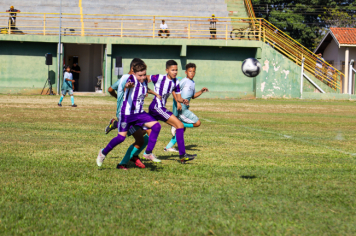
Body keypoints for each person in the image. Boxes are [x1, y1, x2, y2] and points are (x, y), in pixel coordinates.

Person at [97, 62, 162, 170]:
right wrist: (128, 86)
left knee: (156, 126)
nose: (142, 77)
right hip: (127, 114)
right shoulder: (130, 78)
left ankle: (148, 153)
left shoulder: (144, 80)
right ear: (134, 73)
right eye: (139, 75)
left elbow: (146, 88)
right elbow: (127, 85)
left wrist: (155, 94)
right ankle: (103, 153)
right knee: (121, 138)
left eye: (144, 75)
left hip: (140, 113)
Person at [148, 60, 196, 164]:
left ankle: (117, 125)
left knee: (143, 131)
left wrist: (183, 100)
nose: (175, 72)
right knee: (179, 125)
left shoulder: (176, 82)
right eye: (172, 70)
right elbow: (144, 78)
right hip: (157, 107)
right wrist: (146, 90)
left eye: (176, 70)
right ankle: (182, 155)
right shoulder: (159, 77)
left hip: (157, 108)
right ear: (167, 70)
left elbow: (178, 98)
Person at [165, 63, 209, 152]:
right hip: (181, 108)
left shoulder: (192, 82)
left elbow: (193, 96)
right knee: (197, 123)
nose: (192, 73)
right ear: (186, 72)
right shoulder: (184, 81)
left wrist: (201, 91)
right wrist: (178, 102)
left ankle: (168, 147)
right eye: (190, 71)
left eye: (193, 71)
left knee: (181, 129)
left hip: (185, 107)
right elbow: (174, 90)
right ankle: (175, 124)